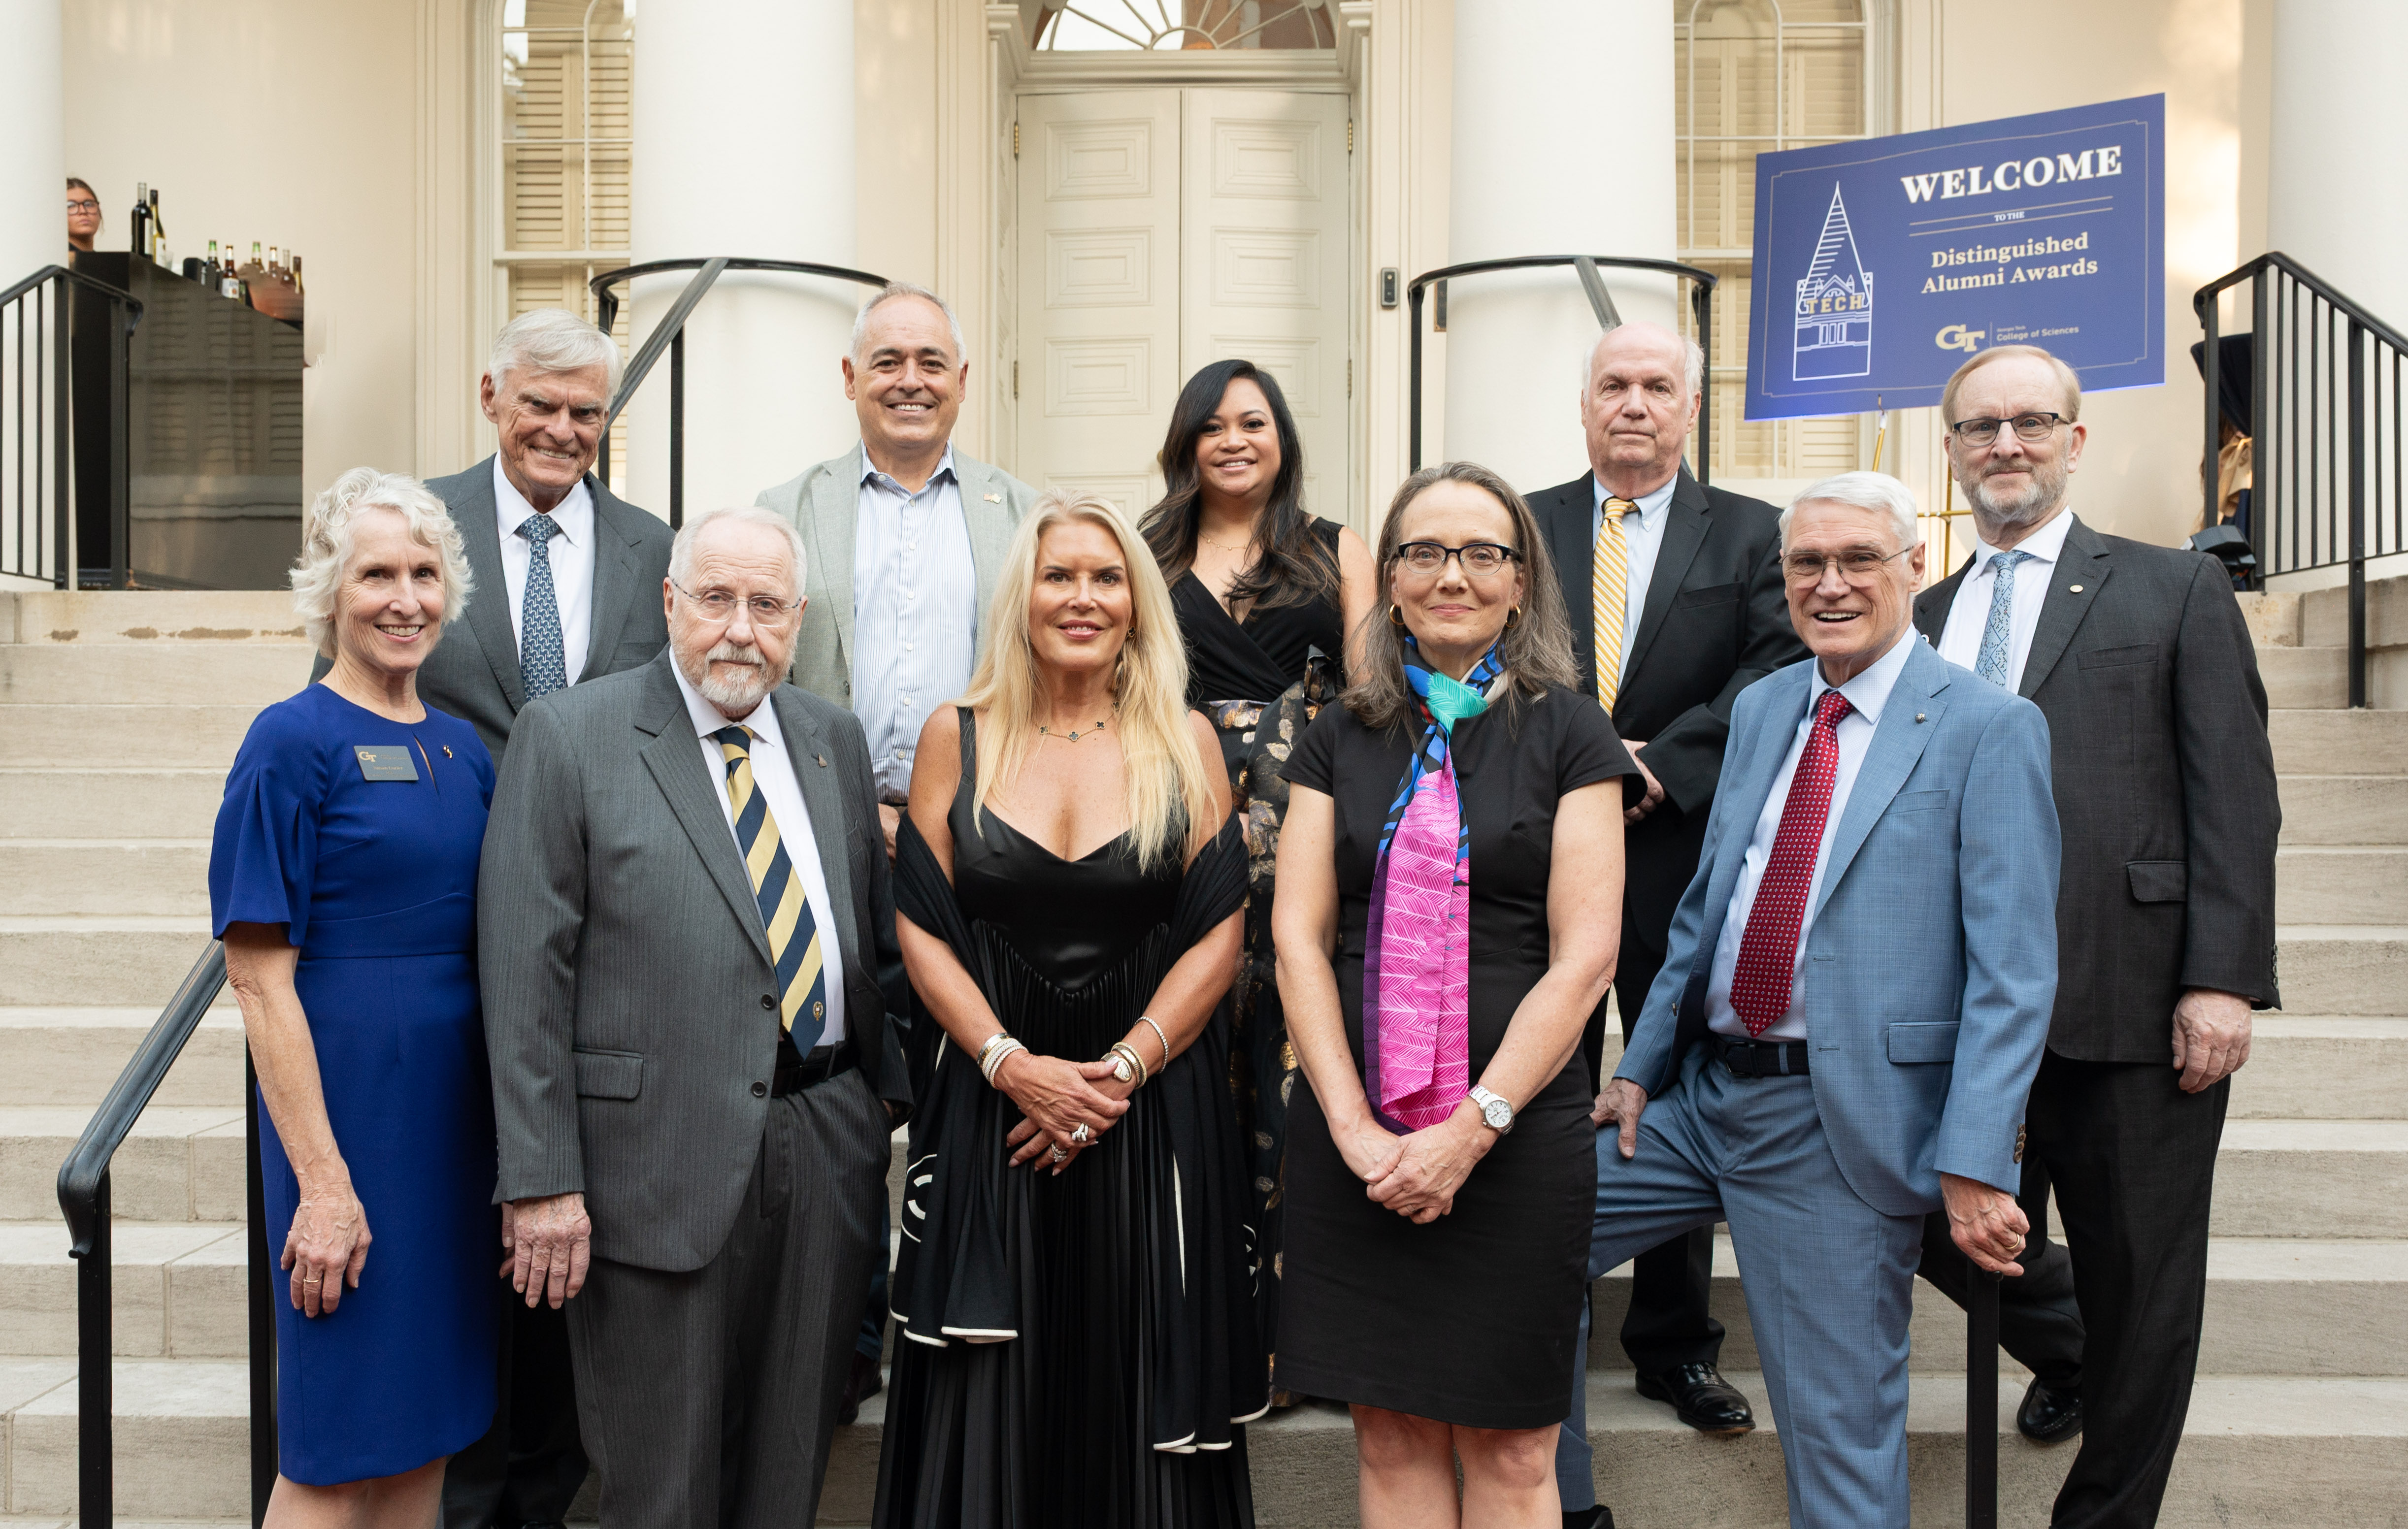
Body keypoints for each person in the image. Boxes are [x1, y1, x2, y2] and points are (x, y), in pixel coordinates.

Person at [1587, 470, 2060, 1529]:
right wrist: (1633, 1067)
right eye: (1806, 562)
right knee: (1509, 1236)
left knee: (1840, 1449)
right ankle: (1554, 1498)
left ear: (1914, 569)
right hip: (1698, 1100)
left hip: (1833, 1128)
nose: (1829, 583)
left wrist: (1976, 1157)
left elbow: (2013, 971)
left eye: (1856, 560)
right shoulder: (1763, 706)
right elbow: (1706, 908)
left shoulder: (1988, 726)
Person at [306, 307, 672, 1529]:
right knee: (460, 1266)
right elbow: (347, 700)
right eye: (542, 405)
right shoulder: (414, 532)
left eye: (586, 412)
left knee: (573, 1276)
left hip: (609, 952)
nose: (564, 430)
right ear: (490, 397)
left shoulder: (652, 547)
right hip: (444, 953)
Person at [476, 506, 909, 1528]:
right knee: (657, 1486)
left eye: (765, 604)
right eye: (715, 598)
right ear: (670, 602)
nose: (738, 628)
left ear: (797, 617)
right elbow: (522, 967)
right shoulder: (570, 735)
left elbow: (868, 939)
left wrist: (875, 1102)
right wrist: (541, 1179)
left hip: (822, 1149)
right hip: (646, 1160)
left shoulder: (828, 739)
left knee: (787, 1469)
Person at [1911, 345, 2280, 1526]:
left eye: (2029, 422)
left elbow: (2233, 789)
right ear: (1952, 446)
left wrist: (2218, 978)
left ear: (2074, 439)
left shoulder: (2171, 586)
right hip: (1961, 1012)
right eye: (1979, 426)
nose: (2003, 444)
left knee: (2145, 1284)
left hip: (2130, 998)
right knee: (1926, 1219)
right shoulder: (1914, 616)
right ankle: (2072, 1354)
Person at [872, 490, 1261, 1529]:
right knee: (988, 1389)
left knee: (1131, 1371)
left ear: (1137, 603)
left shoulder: (1186, 741)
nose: (1080, 597)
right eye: (1058, 575)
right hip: (992, 1108)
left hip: (1146, 1112)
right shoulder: (953, 736)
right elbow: (922, 924)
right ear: (1022, 596)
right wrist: (1011, 1063)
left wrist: (1119, 1071)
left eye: (1105, 578)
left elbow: (1217, 932)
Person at [1273, 461, 1634, 1529]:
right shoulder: (1335, 734)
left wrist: (1467, 1131)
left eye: (1482, 552)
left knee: (1514, 1448)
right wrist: (1352, 1128)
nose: (1451, 575)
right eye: (1423, 551)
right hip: (1354, 1138)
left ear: (1520, 583)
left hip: (1514, 1138)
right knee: (1385, 1430)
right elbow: (1296, 939)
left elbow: (1584, 957)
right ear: (1387, 580)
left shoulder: (1572, 731)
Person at [757, 278, 1039, 1420]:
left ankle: (952, 1315)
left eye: (932, 359)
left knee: (972, 1084)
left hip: (984, 842)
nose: (911, 378)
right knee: (844, 1091)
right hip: (827, 840)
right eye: (888, 360)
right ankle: (849, 1333)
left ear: (962, 382)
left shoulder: (1025, 515)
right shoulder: (787, 510)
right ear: (850, 380)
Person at [1529, 323, 1804, 1497]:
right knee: (1538, 1072)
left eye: (1655, 386)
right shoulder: (1526, 520)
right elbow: (1481, 645)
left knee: (1670, 1077)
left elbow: (1771, 665)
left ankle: (1673, 1342)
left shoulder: (1751, 531)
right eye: (1612, 386)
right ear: (1582, 404)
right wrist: (1578, 763)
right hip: (1533, 846)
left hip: (1680, 848)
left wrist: (1658, 766)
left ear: (1691, 406)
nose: (1632, 404)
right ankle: (1527, 1301)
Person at [211, 467, 498, 1526]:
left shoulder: (463, 748)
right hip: (345, 1124)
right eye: (376, 572)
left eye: (424, 572)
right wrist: (324, 1187)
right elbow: (256, 975)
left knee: (423, 1433)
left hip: (449, 1129)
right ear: (330, 588)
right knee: (334, 1450)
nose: (404, 597)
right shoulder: (289, 741)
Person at [1141, 357, 1376, 1400]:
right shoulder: (1145, 556)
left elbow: (1372, 699)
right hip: (1177, 830)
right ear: (1186, 441)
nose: (1234, 439)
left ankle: (1297, 1335)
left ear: (1281, 437)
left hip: (1307, 830)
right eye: (1213, 424)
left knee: (1292, 1076)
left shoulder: (1335, 551)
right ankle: (1193, 1327)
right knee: (1194, 1074)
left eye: (1254, 422)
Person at [67, 177, 101, 255]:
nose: (83, 211)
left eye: (89, 204)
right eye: (71, 206)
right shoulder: (56, 261)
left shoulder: (105, 264)